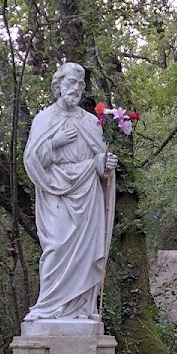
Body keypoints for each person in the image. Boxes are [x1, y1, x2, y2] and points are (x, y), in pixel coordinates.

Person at [23, 63, 118, 321]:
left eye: (79, 83)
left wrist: (105, 164)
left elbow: (99, 160)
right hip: (56, 192)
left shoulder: (91, 122)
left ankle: (81, 310)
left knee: (86, 254)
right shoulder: (43, 119)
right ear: (58, 85)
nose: (75, 88)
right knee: (55, 247)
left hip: (87, 193)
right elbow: (31, 160)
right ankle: (50, 307)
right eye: (70, 82)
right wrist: (54, 143)